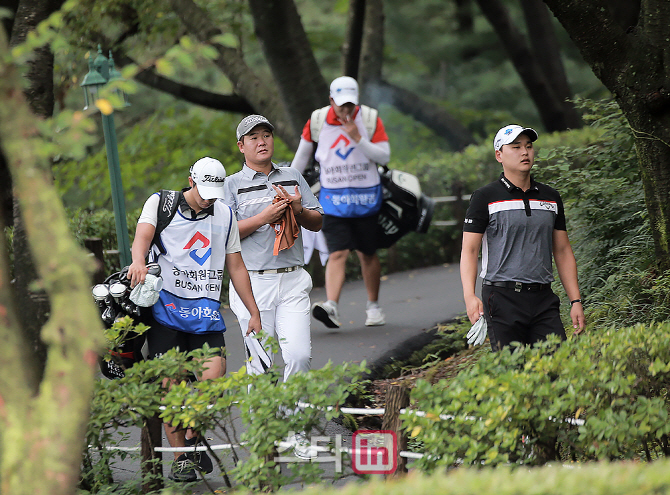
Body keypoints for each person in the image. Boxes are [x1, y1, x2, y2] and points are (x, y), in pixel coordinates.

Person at [127, 157, 261, 482]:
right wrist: (138, 262)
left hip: (205, 313)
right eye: (203, 191)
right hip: (165, 311)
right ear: (191, 180)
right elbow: (142, 236)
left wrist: (253, 311)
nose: (208, 198)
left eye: (214, 193)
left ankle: (192, 434)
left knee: (213, 381)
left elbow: (237, 266)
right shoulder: (162, 203)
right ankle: (183, 458)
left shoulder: (225, 214)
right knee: (170, 387)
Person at [460, 124, 586, 352]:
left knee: (557, 367)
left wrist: (575, 300)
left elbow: (563, 250)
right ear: (499, 155)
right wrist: (470, 296)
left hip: (543, 298)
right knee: (511, 373)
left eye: (528, 146)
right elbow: (469, 251)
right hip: (501, 297)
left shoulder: (550, 197)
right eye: (516, 147)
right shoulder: (484, 197)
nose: (524, 152)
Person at [223, 114, 323, 383]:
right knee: (260, 366)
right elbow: (223, 234)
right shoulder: (230, 185)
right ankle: (262, 425)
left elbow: (317, 222)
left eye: (266, 135)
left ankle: (296, 425)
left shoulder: (292, 176)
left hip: (293, 279)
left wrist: (298, 209)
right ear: (241, 146)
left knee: (300, 357)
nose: (261, 142)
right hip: (253, 283)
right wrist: (262, 219)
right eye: (253, 137)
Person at [291, 76, 391, 328]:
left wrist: (357, 138)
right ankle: (331, 306)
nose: (346, 110)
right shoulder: (317, 121)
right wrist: (288, 186)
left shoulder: (368, 118)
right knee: (337, 252)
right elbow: (300, 160)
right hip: (332, 200)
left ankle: (374, 307)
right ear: (331, 100)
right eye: (341, 105)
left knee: (367, 253)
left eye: (350, 105)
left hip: (366, 198)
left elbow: (385, 155)